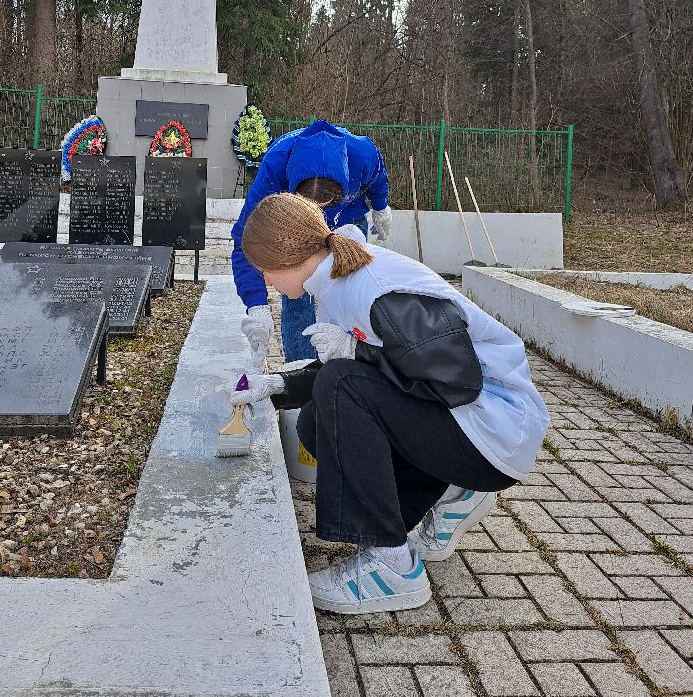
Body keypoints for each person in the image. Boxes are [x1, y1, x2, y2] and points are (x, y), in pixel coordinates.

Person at [228, 193, 549, 615]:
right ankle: (450, 490)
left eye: (265, 270)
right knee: (316, 422)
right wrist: (275, 385)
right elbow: (362, 365)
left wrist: (356, 355)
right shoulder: (338, 276)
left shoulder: (373, 289)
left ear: (285, 256)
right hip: (472, 423)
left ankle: (392, 566)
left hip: (493, 430)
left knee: (339, 389)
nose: (267, 282)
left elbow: (456, 380)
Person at [231, 119, 391, 363]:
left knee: (350, 294)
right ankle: (300, 368)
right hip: (294, 226)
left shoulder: (362, 154)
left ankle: (351, 362)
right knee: (296, 295)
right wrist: (257, 305)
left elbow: (377, 180)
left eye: (323, 205)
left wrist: (381, 207)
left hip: (347, 219)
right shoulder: (275, 166)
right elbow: (248, 238)